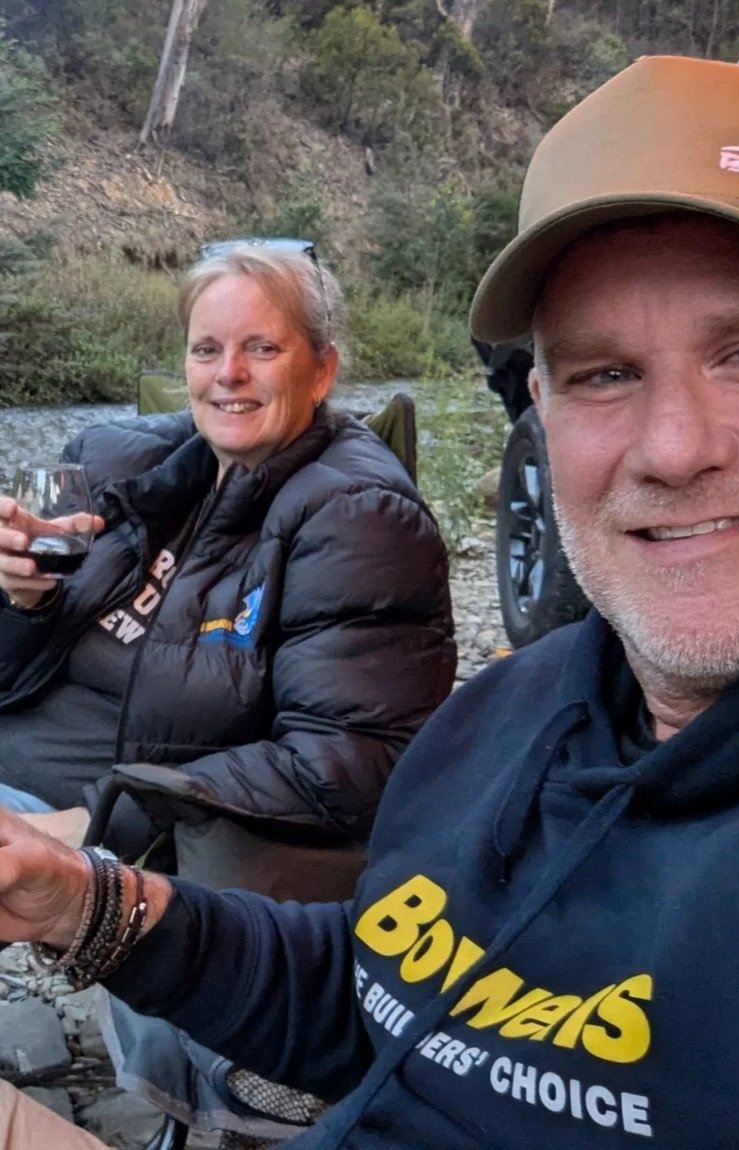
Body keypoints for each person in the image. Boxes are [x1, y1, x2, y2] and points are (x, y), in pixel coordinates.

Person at [0, 58, 739, 1150]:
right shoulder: (514, 712)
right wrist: (74, 898)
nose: (675, 446)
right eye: (603, 373)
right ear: (541, 410)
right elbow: (393, 1004)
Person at [0, 239, 456, 857]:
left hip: (83, 818)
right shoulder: (117, 462)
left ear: (321, 370)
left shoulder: (359, 517)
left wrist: (96, 820)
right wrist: (25, 602)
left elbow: (349, 759)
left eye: (262, 349)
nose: (228, 374)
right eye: (206, 349)